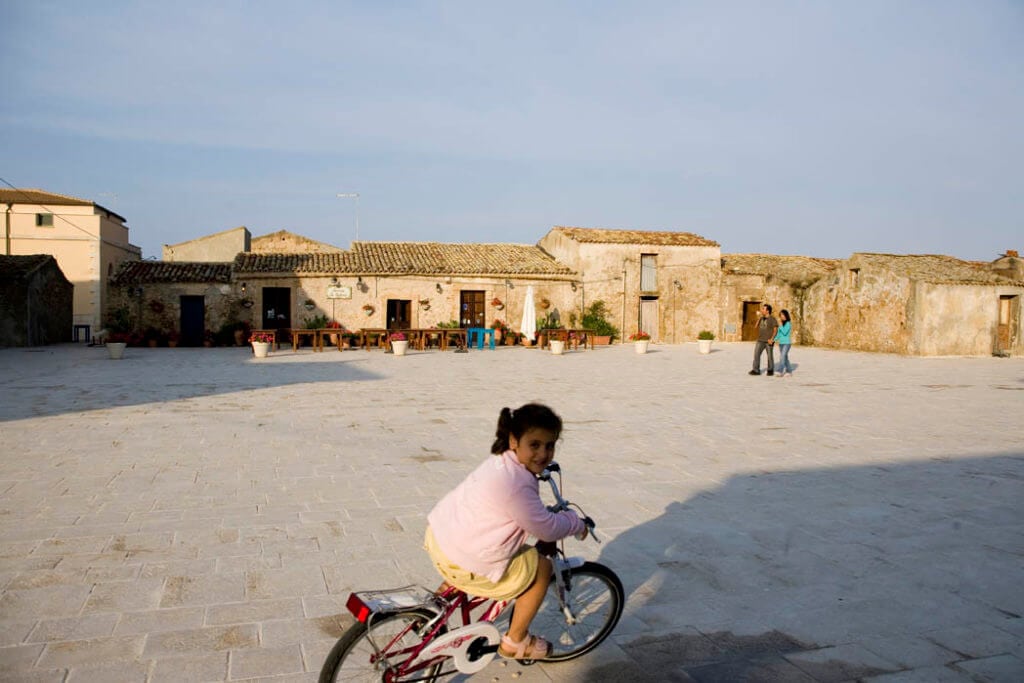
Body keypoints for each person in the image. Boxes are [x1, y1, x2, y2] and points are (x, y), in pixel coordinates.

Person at [424, 403, 587, 660]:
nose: (543, 454)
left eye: (550, 445)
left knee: (495, 547)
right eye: (534, 445)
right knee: (541, 569)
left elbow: (519, 510)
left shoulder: (500, 462)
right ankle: (515, 640)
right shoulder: (517, 484)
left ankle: (441, 600)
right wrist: (576, 523)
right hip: (466, 559)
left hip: (441, 538)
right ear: (514, 441)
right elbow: (545, 528)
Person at [749, 303, 778, 376]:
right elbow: (755, 327)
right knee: (756, 354)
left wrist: (772, 339)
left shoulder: (772, 319)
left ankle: (770, 370)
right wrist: (758, 318)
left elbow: (775, 330)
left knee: (769, 356)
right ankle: (756, 370)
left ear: (767, 311)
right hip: (760, 340)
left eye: (763, 309)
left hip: (768, 340)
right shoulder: (761, 318)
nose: (762, 310)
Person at [776, 309, 794, 377]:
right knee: (785, 358)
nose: (782, 316)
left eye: (783, 315)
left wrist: (780, 326)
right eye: (780, 315)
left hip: (787, 343)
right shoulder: (782, 325)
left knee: (782, 356)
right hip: (781, 343)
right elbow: (779, 334)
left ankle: (780, 371)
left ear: (786, 315)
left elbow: (784, 332)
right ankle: (789, 371)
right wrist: (774, 340)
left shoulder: (788, 324)